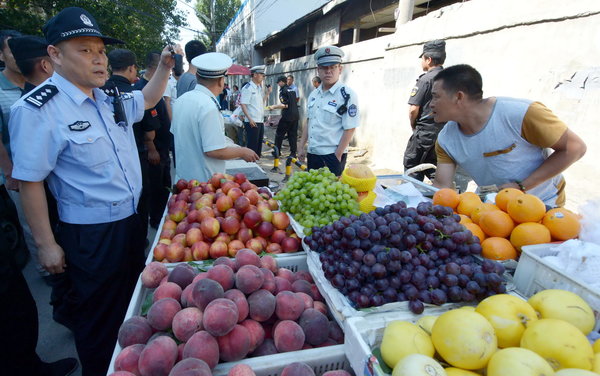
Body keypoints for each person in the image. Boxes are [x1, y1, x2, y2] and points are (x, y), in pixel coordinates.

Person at [8, 7, 174, 375]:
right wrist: (46, 244)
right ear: (54, 55)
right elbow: (30, 181)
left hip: (130, 224)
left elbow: (146, 99)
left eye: (100, 50)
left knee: (134, 309)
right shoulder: (39, 109)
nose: (98, 58)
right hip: (92, 236)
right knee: (99, 320)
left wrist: (163, 67)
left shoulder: (108, 96)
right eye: (84, 50)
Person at [0, 35, 78, 376]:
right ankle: (64, 306)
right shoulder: (32, 105)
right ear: (49, 61)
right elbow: (27, 176)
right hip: (41, 193)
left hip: (47, 193)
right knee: (56, 258)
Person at [432, 64, 587, 207]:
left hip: (543, 204)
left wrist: (522, 186)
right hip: (495, 209)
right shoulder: (446, 140)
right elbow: (441, 186)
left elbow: (575, 148)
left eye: (436, 96)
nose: (430, 104)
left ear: (459, 97)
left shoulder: (521, 114)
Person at [171, 52, 259, 182]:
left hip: (183, 182)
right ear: (220, 81)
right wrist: (243, 151)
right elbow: (214, 151)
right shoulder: (208, 106)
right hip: (203, 184)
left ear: (197, 76)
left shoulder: (181, 100)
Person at [102, 49, 158, 241]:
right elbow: (149, 130)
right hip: (138, 156)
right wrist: (152, 148)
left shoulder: (102, 92)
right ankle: (140, 238)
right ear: (132, 68)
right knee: (141, 198)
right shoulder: (131, 94)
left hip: (112, 168)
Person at [298, 46, 359, 176]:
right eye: (324, 68)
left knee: (330, 193)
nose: (328, 72)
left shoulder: (347, 95)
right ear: (318, 70)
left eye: (333, 67)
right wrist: (301, 145)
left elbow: (350, 128)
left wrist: (337, 155)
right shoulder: (314, 94)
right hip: (313, 153)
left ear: (340, 69)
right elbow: (309, 121)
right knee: (313, 191)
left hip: (332, 155)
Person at [134, 52, 172, 229]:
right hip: (153, 149)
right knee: (155, 188)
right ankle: (157, 221)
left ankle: (164, 216)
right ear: (154, 67)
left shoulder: (157, 86)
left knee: (165, 185)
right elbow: (145, 125)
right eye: (163, 66)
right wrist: (150, 148)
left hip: (163, 146)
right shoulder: (141, 89)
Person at [403, 40, 447, 181]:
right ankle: (443, 197)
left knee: (412, 168)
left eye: (422, 59)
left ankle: (414, 200)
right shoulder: (452, 79)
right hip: (444, 133)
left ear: (428, 59)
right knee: (435, 169)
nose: (421, 62)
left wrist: (414, 126)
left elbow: (413, 109)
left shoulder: (425, 80)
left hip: (424, 133)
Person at [240, 65, 270, 157]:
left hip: (259, 120)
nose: (263, 77)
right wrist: (250, 119)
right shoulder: (247, 88)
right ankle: (250, 166)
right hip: (252, 121)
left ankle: (256, 164)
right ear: (255, 75)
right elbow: (243, 104)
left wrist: (268, 93)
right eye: (261, 74)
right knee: (252, 147)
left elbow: (261, 102)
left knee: (257, 148)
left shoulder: (259, 88)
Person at [268, 75, 299, 157]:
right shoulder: (291, 90)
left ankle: (277, 152)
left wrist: (274, 106)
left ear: (282, 82)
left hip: (287, 116)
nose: (278, 84)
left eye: (278, 82)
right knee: (292, 135)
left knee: (279, 134)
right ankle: (293, 153)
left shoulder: (283, 91)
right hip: (295, 115)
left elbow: (285, 105)